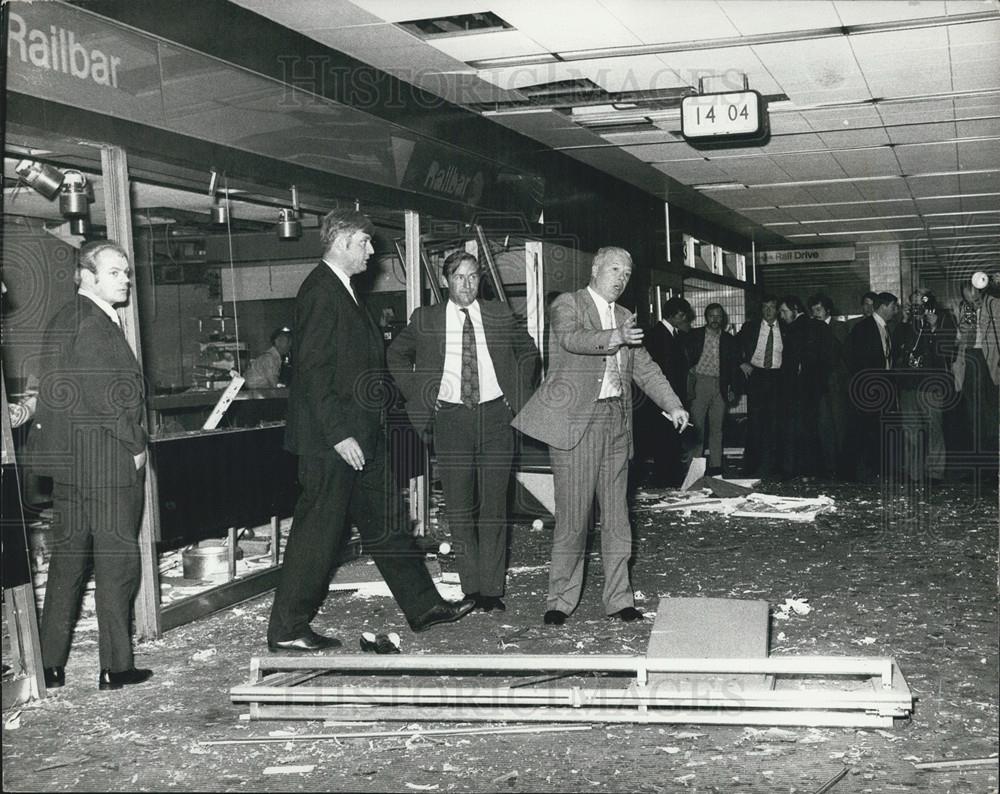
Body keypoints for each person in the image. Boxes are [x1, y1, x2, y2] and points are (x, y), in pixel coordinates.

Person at [267, 209, 474, 652]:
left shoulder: (345, 291)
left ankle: (424, 607)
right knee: (318, 531)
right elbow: (314, 372)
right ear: (341, 241)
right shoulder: (321, 291)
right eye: (364, 242)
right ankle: (287, 628)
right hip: (334, 440)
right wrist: (340, 434)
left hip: (362, 436)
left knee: (387, 522)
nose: (371, 250)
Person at [512, 246, 689, 626]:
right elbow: (572, 338)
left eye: (627, 272)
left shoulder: (627, 316)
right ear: (595, 268)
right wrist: (615, 335)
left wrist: (673, 404)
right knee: (574, 520)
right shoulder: (568, 303)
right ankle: (560, 600)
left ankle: (620, 599)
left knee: (617, 518)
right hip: (577, 424)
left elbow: (644, 367)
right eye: (614, 268)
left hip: (616, 422)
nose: (621, 278)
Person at [27, 240, 152, 691]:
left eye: (126, 272)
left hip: (70, 466)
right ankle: (116, 667)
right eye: (116, 272)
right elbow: (109, 398)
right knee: (118, 565)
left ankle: (49, 665)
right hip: (106, 463)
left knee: (67, 565)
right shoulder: (97, 324)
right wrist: (135, 444)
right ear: (86, 275)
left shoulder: (64, 319)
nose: (126, 279)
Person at [387, 251, 539, 612]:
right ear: (445, 281)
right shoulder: (425, 318)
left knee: (493, 505)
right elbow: (395, 355)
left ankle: (492, 589)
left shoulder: (499, 314)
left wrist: (513, 396)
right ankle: (471, 587)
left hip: (496, 417)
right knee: (459, 506)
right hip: (451, 419)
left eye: (473, 277)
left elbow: (530, 353)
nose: (467, 284)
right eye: (459, 277)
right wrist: (422, 393)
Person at [896, 292, 956, 486]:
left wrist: (934, 326)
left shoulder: (944, 320)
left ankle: (934, 473)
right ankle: (913, 473)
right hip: (909, 385)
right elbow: (895, 347)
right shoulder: (908, 325)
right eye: (913, 305)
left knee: (934, 430)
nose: (917, 309)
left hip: (931, 385)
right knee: (910, 431)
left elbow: (947, 350)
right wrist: (904, 321)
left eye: (920, 305)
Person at [847, 291, 900, 482]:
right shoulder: (864, 328)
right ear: (884, 306)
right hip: (869, 388)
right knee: (867, 430)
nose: (895, 311)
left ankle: (877, 470)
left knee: (878, 430)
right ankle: (864, 472)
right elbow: (855, 360)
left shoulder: (885, 328)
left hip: (882, 386)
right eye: (894, 307)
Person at [953, 275, 999, 489]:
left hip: (989, 363)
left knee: (989, 419)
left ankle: (991, 468)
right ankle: (977, 468)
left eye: (973, 297)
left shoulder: (994, 305)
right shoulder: (964, 308)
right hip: (970, 360)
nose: (970, 302)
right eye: (966, 298)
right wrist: (963, 326)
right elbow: (960, 339)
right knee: (972, 418)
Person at [685, 303, 741, 476]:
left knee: (717, 428)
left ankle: (716, 467)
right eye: (711, 316)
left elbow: (733, 367)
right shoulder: (694, 335)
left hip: (720, 385)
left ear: (723, 318)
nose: (715, 319)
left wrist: (733, 388)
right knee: (698, 428)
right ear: (705, 316)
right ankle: (694, 470)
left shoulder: (729, 339)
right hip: (700, 383)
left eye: (718, 316)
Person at [645, 296, 693, 486]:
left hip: (671, 398)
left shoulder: (673, 334)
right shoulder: (657, 335)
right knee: (664, 440)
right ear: (675, 315)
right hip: (662, 400)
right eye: (683, 316)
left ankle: (671, 477)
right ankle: (665, 479)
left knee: (671, 439)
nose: (685, 320)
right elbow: (661, 372)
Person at [737, 295, 784, 477]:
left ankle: (774, 466)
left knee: (776, 422)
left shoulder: (786, 329)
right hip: (757, 376)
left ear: (778, 310)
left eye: (771, 307)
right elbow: (734, 345)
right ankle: (752, 467)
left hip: (778, 378)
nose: (768, 311)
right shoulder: (750, 327)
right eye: (765, 307)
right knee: (756, 422)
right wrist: (742, 362)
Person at [777, 295, 821, 478]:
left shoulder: (795, 328)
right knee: (808, 429)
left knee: (794, 429)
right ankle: (808, 470)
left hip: (795, 388)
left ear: (795, 309)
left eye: (784, 311)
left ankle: (794, 470)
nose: (781, 315)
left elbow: (794, 363)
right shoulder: (811, 325)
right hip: (808, 389)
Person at [808, 294, 850, 478]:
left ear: (827, 310)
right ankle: (829, 465)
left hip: (837, 383)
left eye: (818, 310)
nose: (815, 313)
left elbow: (839, 354)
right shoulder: (811, 330)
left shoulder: (839, 327)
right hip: (818, 384)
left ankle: (842, 465)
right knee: (823, 424)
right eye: (813, 310)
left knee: (839, 424)